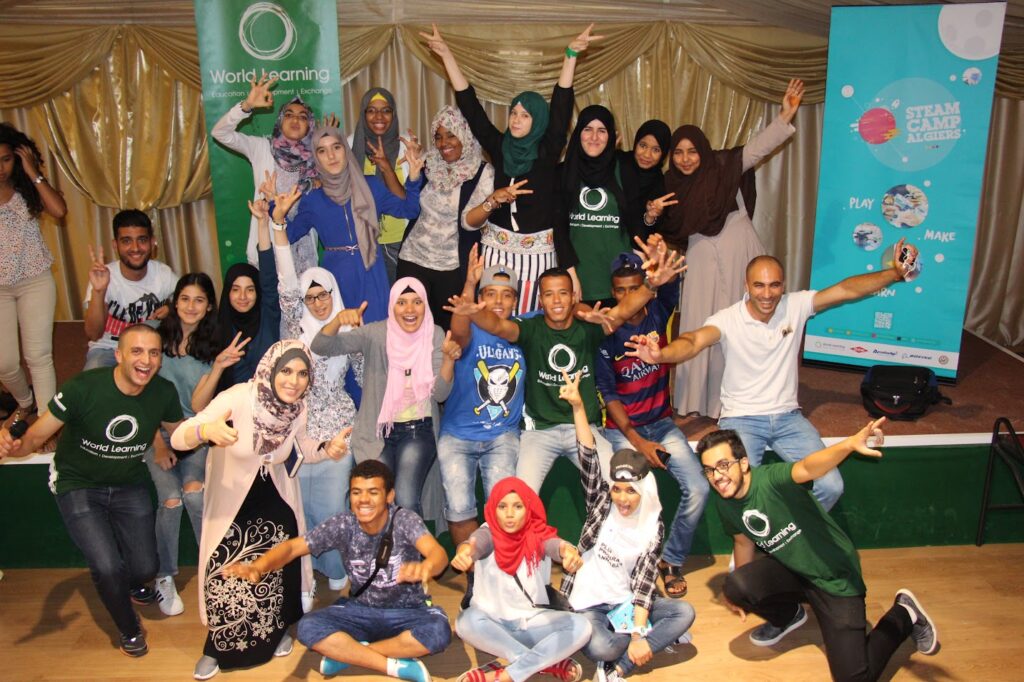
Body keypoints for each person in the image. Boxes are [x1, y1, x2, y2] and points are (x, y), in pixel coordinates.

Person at [625, 243, 920, 512]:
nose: (767, 294)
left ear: (783, 285)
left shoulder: (796, 305)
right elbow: (693, 341)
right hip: (741, 418)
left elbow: (846, 290)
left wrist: (894, 274)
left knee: (831, 485)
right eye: (759, 285)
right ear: (746, 286)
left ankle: (791, 537)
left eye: (774, 285)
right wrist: (661, 355)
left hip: (788, 418)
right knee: (740, 489)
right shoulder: (727, 319)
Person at [696, 422, 940, 680]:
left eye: (724, 465)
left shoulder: (771, 480)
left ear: (744, 463)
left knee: (855, 679)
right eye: (709, 470)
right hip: (793, 570)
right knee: (735, 586)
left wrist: (848, 444)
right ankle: (790, 616)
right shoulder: (726, 502)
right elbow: (743, 542)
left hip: (834, 576)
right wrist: (740, 593)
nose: (717, 476)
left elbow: (807, 467)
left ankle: (904, 614)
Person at [170, 340, 352, 680]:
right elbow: (179, 437)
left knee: (277, 570)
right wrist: (204, 430)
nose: (293, 381)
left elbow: (300, 448)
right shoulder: (238, 398)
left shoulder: (297, 408)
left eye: (302, 374)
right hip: (233, 503)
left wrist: (328, 448)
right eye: (286, 371)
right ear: (271, 368)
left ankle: (278, 630)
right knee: (225, 571)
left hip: (275, 499)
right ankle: (217, 646)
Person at [445, 236, 685, 493]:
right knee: (521, 496)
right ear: (540, 300)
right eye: (549, 295)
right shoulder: (530, 328)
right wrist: (472, 310)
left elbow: (623, 311)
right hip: (539, 432)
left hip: (584, 427)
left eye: (563, 293)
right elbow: (496, 325)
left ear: (573, 297)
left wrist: (650, 284)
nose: (557, 301)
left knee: (620, 484)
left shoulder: (590, 326)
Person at [0, 324, 184, 657]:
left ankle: (134, 584)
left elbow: (182, 432)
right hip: (78, 484)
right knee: (107, 566)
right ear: (118, 355)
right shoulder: (83, 388)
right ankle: (129, 629)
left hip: (128, 482)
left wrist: (215, 428)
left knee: (145, 568)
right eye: (137, 351)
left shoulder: (163, 392)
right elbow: (35, 436)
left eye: (154, 353)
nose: (146, 360)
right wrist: (13, 448)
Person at [422, 24, 600, 314]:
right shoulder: (499, 146)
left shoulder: (547, 152)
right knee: (493, 324)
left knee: (527, 326)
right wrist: (447, 56)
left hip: (538, 255)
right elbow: (471, 108)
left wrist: (570, 56)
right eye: (514, 112)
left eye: (525, 115)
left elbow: (561, 107)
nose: (516, 119)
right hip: (497, 251)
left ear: (537, 121)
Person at [225, 459, 451, 682]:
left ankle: (349, 655)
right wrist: (259, 566)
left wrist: (426, 567)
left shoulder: (404, 520)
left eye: (373, 492)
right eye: (356, 492)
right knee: (308, 627)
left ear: (389, 496)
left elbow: (438, 554)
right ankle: (393, 666)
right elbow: (293, 547)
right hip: (360, 611)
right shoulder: (344, 524)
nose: (363, 499)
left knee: (438, 631)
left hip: (408, 612)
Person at [662, 79, 804, 420]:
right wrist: (651, 214)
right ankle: (698, 399)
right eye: (678, 152)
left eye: (692, 151)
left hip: (739, 248)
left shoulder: (724, 166)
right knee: (701, 324)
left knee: (744, 322)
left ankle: (743, 399)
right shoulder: (671, 184)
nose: (685, 159)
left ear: (703, 150)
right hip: (700, 256)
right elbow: (669, 225)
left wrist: (784, 117)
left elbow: (757, 149)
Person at [558, 370, 695, 681]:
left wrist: (637, 635)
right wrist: (578, 407)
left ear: (643, 490)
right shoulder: (601, 502)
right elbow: (588, 456)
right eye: (617, 489)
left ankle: (620, 669)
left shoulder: (653, 525)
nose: (622, 498)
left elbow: (645, 582)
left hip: (626, 602)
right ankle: (649, 639)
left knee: (684, 612)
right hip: (589, 603)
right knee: (601, 648)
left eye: (630, 491)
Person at [595, 251, 708, 598]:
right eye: (621, 290)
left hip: (661, 424)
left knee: (699, 488)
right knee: (633, 494)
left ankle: (670, 561)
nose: (629, 296)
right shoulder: (605, 331)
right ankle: (629, 567)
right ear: (612, 293)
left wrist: (661, 258)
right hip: (621, 431)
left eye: (635, 288)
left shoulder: (659, 311)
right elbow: (609, 394)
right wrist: (637, 442)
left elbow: (671, 282)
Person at [266, 196, 359, 598]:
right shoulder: (295, 328)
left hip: (338, 426)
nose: (319, 303)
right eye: (312, 297)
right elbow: (286, 282)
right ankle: (304, 578)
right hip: (298, 430)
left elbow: (367, 377)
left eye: (325, 295)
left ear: (334, 294)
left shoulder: (351, 331)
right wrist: (278, 226)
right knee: (298, 510)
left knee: (333, 508)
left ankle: (335, 569)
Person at [311, 277, 458, 516]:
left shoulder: (434, 334)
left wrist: (449, 361)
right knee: (378, 498)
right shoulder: (377, 333)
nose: (410, 309)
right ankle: (385, 543)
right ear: (392, 305)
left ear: (425, 305)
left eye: (417, 302)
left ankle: (411, 542)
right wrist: (337, 320)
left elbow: (440, 394)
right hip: (378, 431)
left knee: (405, 498)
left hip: (419, 429)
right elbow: (321, 346)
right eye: (401, 302)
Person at [273, 127, 423, 324]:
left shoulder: (371, 186)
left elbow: (409, 210)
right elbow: (291, 234)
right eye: (322, 151)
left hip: (372, 272)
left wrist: (414, 177)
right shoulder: (313, 199)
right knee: (343, 335)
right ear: (316, 158)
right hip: (336, 277)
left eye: (336, 147)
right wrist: (274, 209)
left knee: (377, 332)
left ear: (346, 149)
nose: (331, 156)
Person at [451, 476, 590, 682]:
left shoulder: (537, 532)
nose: (509, 514)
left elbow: (555, 545)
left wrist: (568, 552)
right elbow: (474, 543)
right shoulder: (488, 533)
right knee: (465, 622)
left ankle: (506, 673)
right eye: (502, 507)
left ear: (528, 508)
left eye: (518, 506)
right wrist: (464, 552)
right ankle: (544, 663)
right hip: (493, 622)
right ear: (493, 509)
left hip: (531, 621)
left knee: (582, 626)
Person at [148, 273, 222, 616]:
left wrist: (218, 367)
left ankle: (213, 568)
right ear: (174, 302)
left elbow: (197, 406)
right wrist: (159, 445)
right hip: (155, 433)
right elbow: (141, 396)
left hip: (193, 433)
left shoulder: (211, 346)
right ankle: (164, 576)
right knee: (171, 499)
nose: (191, 306)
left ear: (209, 307)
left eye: (199, 300)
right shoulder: (155, 338)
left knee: (194, 493)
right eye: (185, 298)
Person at [441, 248, 525, 548]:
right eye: (490, 294)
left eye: (506, 295)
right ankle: (472, 572)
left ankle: (501, 570)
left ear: (516, 301)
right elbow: (458, 329)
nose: (499, 301)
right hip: (458, 435)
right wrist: (468, 286)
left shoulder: (524, 330)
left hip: (502, 435)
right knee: (459, 508)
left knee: (505, 509)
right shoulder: (471, 330)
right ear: (480, 298)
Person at [210, 74, 323, 272]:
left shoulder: (317, 158)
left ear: (310, 125)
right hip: (268, 249)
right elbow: (220, 133)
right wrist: (247, 105)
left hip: (304, 255)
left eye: (303, 117)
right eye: (289, 114)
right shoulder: (262, 148)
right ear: (280, 120)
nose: (295, 119)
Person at [397, 104, 493, 329]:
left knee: (449, 331)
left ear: (464, 134)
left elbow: (469, 223)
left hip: (452, 267)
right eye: (438, 137)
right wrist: (412, 176)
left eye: (451, 135)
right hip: (413, 257)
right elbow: (410, 206)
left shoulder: (482, 172)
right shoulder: (428, 163)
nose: (443, 143)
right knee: (410, 327)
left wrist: (492, 202)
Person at [0, 123, 67, 426]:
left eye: (6, 159)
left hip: (35, 280)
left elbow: (59, 211)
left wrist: (32, 171)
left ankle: (46, 423)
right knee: (5, 363)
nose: (1, 168)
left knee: (38, 355)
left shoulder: (26, 187)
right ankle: (26, 402)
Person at [558, 104, 635, 305]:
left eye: (602, 131)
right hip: (575, 282)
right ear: (578, 134)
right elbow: (559, 230)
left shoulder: (625, 170)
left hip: (620, 284)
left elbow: (637, 225)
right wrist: (571, 275)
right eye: (588, 129)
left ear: (612, 136)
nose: (594, 137)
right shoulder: (563, 172)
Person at [82, 209, 178, 370]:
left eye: (142, 240)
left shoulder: (164, 274)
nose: (135, 248)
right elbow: (93, 334)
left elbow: (190, 302)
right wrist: (99, 292)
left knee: (181, 374)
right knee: (94, 380)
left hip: (152, 347)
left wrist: (171, 310)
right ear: (115, 245)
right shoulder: (103, 276)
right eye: (126, 241)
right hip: (110, 347)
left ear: (152, 242)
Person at [350, 87, 411, 284]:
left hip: (401, 242)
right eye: (371, 110)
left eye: (386, 110)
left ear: (393, 114)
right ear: (363, 113)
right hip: (363, 243)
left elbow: (407, 201)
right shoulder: (350, 146)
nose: (379, 116)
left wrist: (387, 167)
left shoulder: (406, 146)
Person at [616, 120, 671, 242]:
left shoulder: (659, 185)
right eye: (643, 145)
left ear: (663, 153)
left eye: (656, 150)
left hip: (634, 248)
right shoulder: (617, 162)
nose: (646, 155)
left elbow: (650, 234)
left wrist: (649, 217)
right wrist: (605, 155)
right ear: (636, 143)